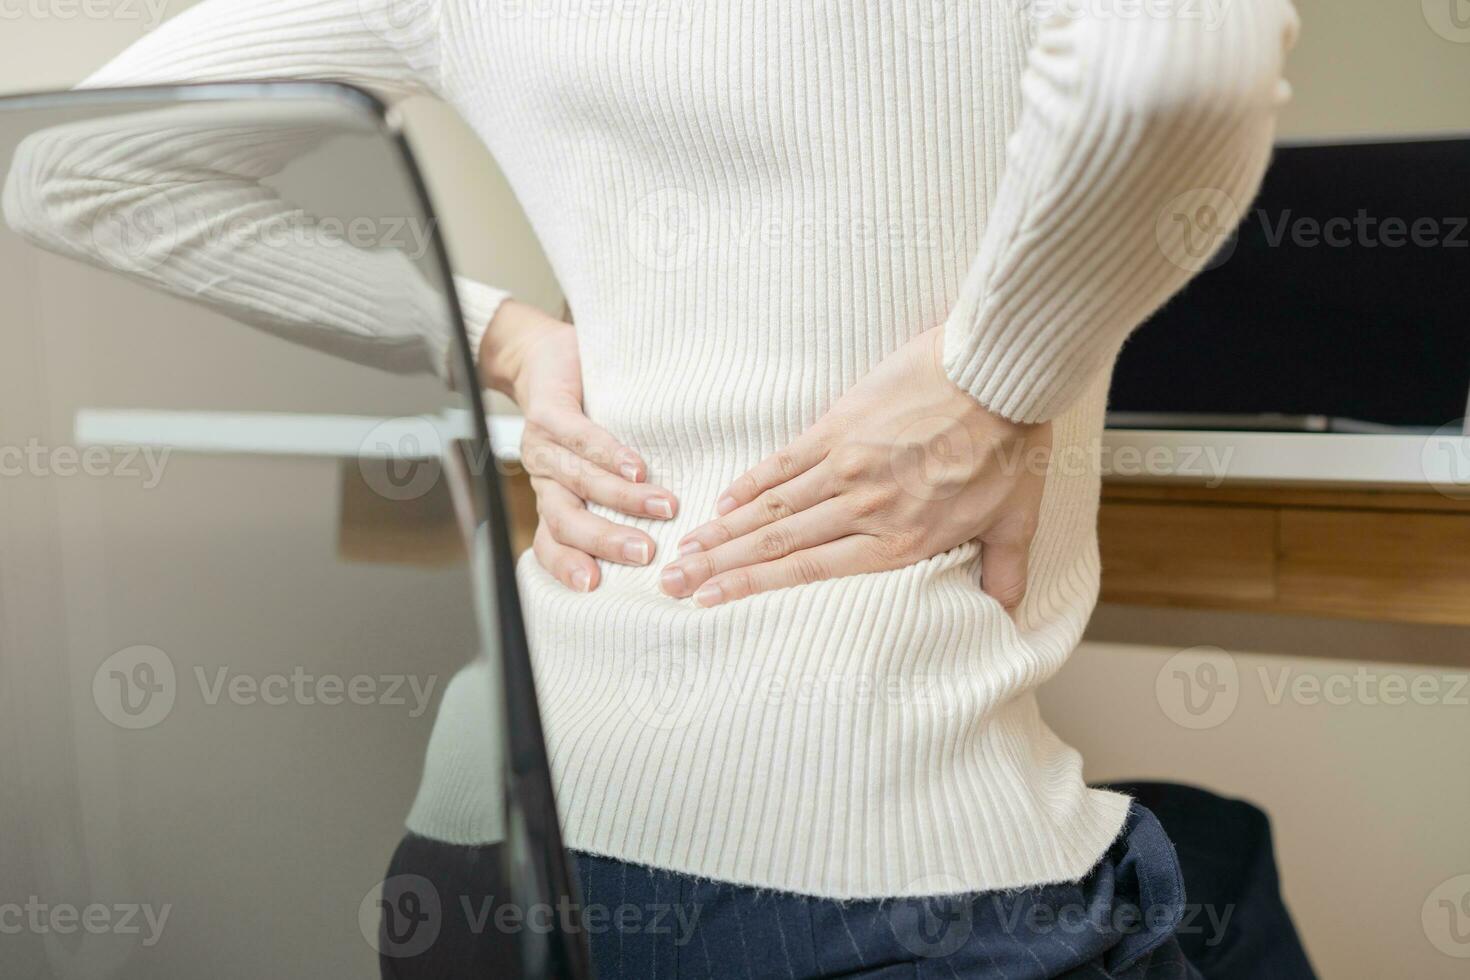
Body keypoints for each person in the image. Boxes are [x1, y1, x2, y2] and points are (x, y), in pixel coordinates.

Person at [42, 1, 1309, 975]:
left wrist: (503, 338)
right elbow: (1180, 57)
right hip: (888, 869)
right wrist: (998, 380)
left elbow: (71, 165)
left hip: (487, 860)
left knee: (1215, 851)